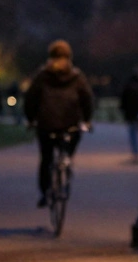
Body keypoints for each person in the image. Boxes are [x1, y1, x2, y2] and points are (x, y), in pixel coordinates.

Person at [25, 40, 94, 208]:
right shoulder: (77, 77)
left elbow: (31, 99)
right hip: (71, 124)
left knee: (46, 159)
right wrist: (87, 119)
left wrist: (31, 118)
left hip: (46, 124)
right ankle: (67, 165)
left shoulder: (42, 76)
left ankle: (45, 191)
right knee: (68, 150)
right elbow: (87, 99)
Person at [120, 67, 138, 158]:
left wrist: (123, 110)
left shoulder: (128, 85)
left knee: (132, 134)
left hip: (130, 114)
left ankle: (135, 152)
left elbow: (123, 99)